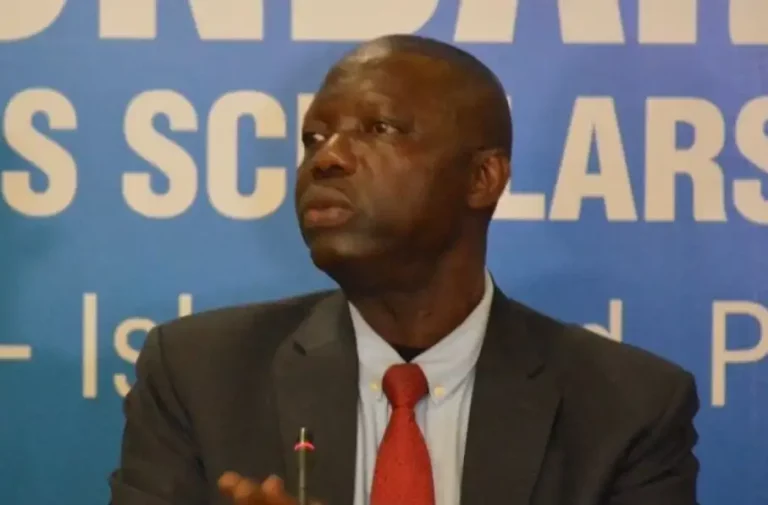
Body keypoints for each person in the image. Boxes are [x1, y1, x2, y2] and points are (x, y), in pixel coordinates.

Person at [109, 34, 700, 505]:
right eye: (314, 137)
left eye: (380, 128)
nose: (327, 158)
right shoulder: (198, 376)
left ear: (482, 178)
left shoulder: (626, 408)